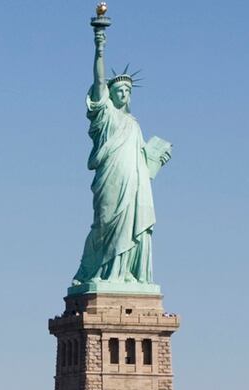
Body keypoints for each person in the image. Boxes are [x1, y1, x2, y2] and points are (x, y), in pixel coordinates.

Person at [71, 21, 171, 289]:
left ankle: (125, 272)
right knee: (105, 223)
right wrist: (99, 47)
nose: (124, 94)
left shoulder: (134, 124)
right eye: (119, 90)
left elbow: (143, 162)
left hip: (134, 182)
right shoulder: (105, 116)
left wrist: (156, 158)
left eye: (127, 91)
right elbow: (98, 81)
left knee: (133, 225)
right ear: (110, 94)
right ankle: (104, 272)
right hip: (111, 177)